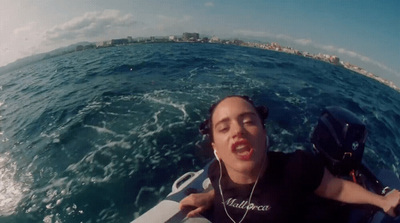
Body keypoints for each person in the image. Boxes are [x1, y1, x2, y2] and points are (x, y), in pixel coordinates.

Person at [179, 95, 400, 222]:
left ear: (264, 134)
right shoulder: (215, 173)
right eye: (224, 127)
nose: (238, 130)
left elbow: (338, 189)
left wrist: (381, 201)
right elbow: (223, 189)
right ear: (215, 147)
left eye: (248, 121)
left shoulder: (296, 167)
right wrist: (210, 197)